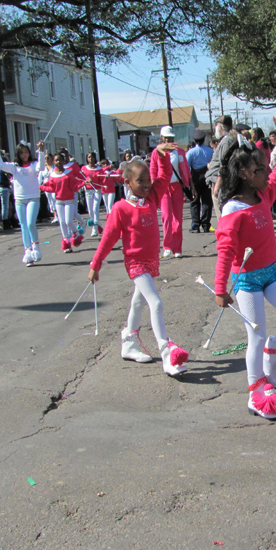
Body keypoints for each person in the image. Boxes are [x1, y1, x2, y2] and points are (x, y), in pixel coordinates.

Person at [214, 117, 276, 419]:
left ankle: (274, 352)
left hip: (271, 272)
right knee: (255, 335)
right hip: (246, 281)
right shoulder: (232, 210)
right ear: (245, 173)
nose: (267, 172)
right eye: (260, 169)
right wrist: (219, 288)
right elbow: (225, 251)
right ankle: (256, 392)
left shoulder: (264, 193)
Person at [88, 143, 189, 377]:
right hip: (135, 264)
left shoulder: (152, 198)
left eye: (147, 180)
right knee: (155, 303)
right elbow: (107, 240)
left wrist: (160, 155)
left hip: (151, 261)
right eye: (140, 181)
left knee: (138, 302)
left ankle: (129, 343)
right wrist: (95, 264)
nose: (145, 185)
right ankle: (167, 353)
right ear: (128, 183)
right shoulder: (120, 209)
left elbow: (164, 176)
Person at [0, 140, 46, 265]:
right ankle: (28, 251)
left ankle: (36, 248)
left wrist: (41, 152)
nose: (24, 155)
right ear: (18, 154)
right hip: (20, 200)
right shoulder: (13, 166)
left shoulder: (33, 164)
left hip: (33, 198)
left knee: (31, 223)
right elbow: (0, 165)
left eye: (26, 152)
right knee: (23, 226)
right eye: (22, 153)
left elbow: (41, 167)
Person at [150, 125, 191, 258]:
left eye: (172, 138)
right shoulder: (156, 152)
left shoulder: (179, 152)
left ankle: (177, 248)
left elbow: (185, 169)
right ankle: (167, 246)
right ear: (162, 138)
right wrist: (153, 187)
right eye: (167, 138)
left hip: (177, 187)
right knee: (166, 218)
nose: (169, 141)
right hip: (163, 188)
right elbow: (153, 170)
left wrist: (190, 185)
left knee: (177, 219)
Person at [39, 153, 84, 253]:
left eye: (60, 160)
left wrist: (83, 183)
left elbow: (74, 187)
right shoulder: (52, 175)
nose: (58, 162)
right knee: (62, 223)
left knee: (68, 221)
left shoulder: (69, 173)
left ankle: (76, 234)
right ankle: (67, 243)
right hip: (59, 202)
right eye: (56, 160)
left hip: (69, 201)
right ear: (54, 162)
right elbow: (52, 188)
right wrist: (41, 187)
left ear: (64, 161)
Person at [206, 115, 237, 219]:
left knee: (222, 216)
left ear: (220, 127)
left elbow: (225, 164)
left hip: (220, 182)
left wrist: (218, 184)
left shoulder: (226, 141)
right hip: (219, 181)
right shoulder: (228, 139)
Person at [186, 129, 214, 233]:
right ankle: (206, 224)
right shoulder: (210, 151)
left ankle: (196, 225)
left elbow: (187, 167)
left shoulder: (191, 152)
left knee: (195, 201)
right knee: (207, 201)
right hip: (207, 175)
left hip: (195, 176)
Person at [80, 152, 105, 237]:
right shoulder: (84, 168)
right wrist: (85, 182)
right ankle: (97, 223)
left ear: (95, 158)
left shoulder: (99, 169)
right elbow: (80, 179)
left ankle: (95, 228)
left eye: (92, 157)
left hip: (97, 190)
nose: (91, 158)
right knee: (90, 210)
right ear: (87, 158)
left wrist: (106, 177)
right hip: (88, 190)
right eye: (89, 157)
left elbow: (102, 181)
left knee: (95, 208)